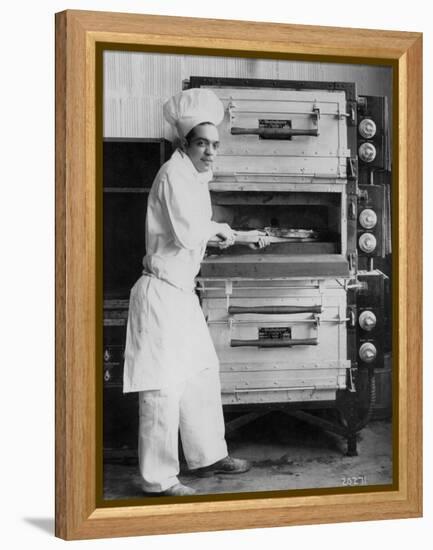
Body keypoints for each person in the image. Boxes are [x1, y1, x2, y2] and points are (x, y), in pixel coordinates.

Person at [123, 88, 251, 497]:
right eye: (202, 144)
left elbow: (195, 231)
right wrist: (220, 231)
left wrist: (238, 235)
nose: (211, 152)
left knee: (200, 374)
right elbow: (188, 232)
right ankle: (158, 480)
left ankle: (208, 456)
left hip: (181, 294)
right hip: (159, 295)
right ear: (185, 144)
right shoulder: (173, 174)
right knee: (163, 389)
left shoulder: (193, 177)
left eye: (215, 145)